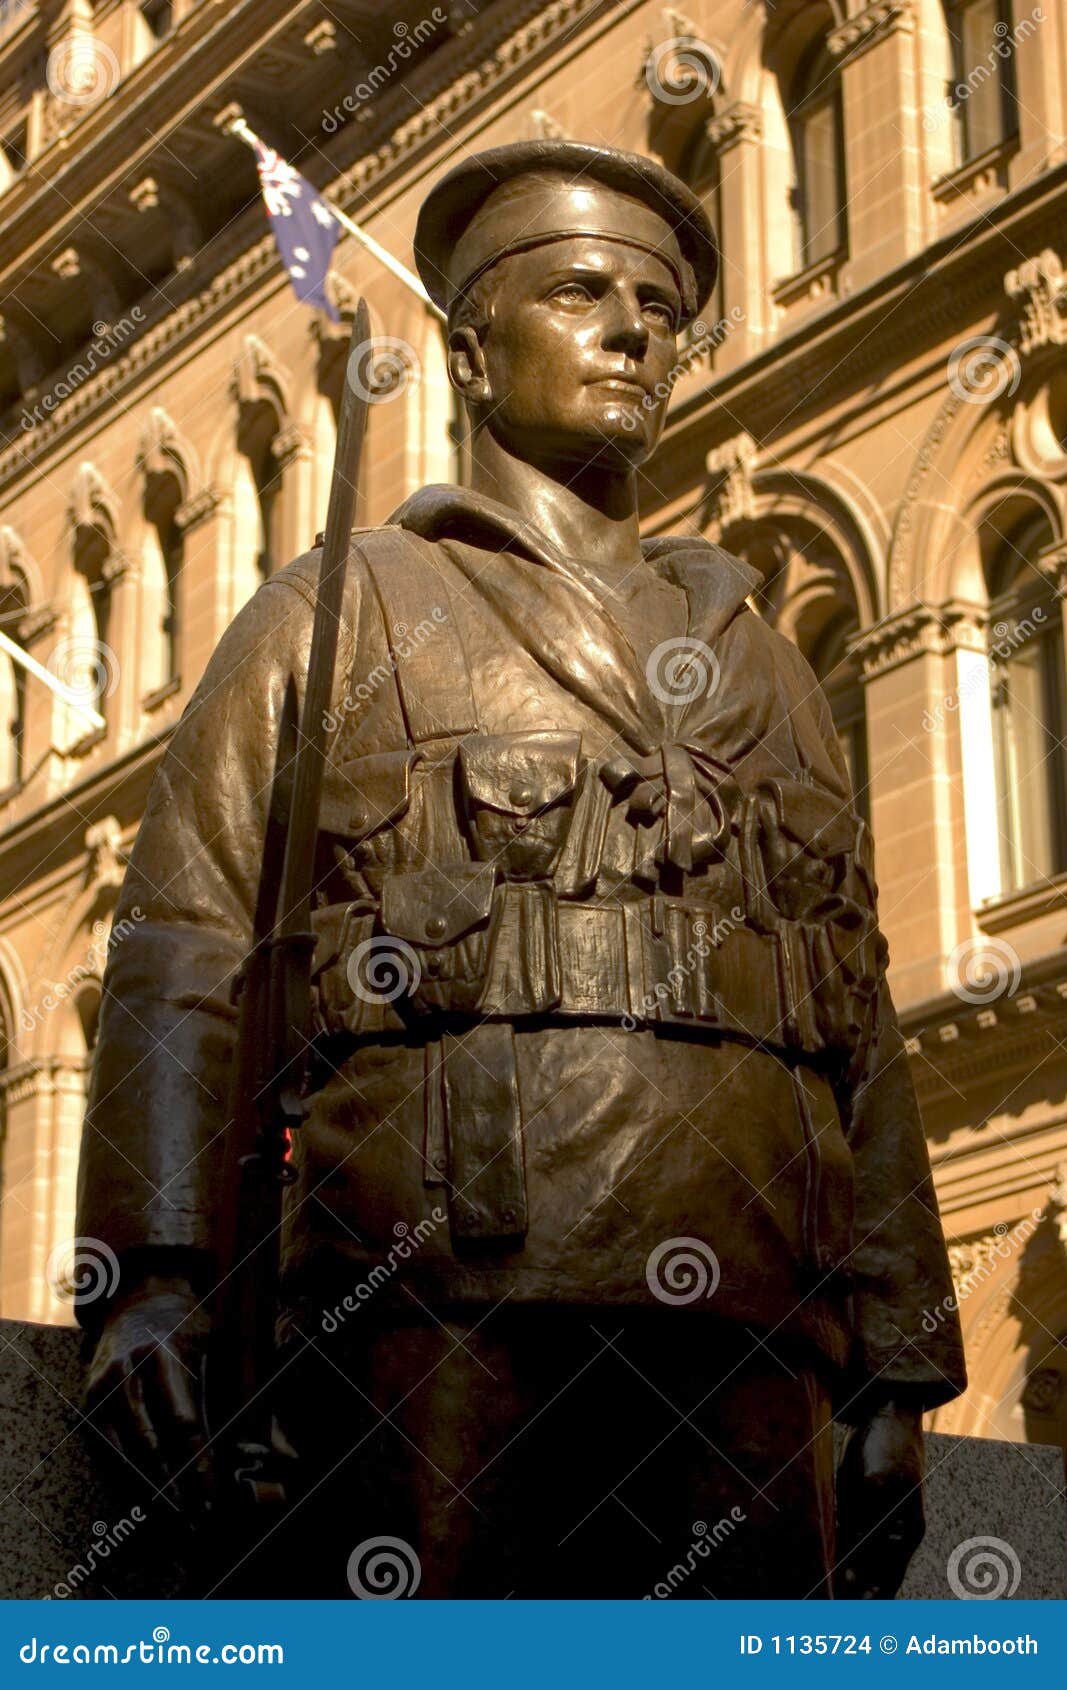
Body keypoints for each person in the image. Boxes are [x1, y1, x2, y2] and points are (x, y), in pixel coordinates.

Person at [76, 140, 966, 1599]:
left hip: (756, 1313)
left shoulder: (769, 661)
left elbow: (851, 1003)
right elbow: (181, 941)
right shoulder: (340, 613)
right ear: (471, 349)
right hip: (440, 1289)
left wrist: (901, 1352)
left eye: (663, 309)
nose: (634, 329)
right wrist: (152, 1276)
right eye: (581, 292)